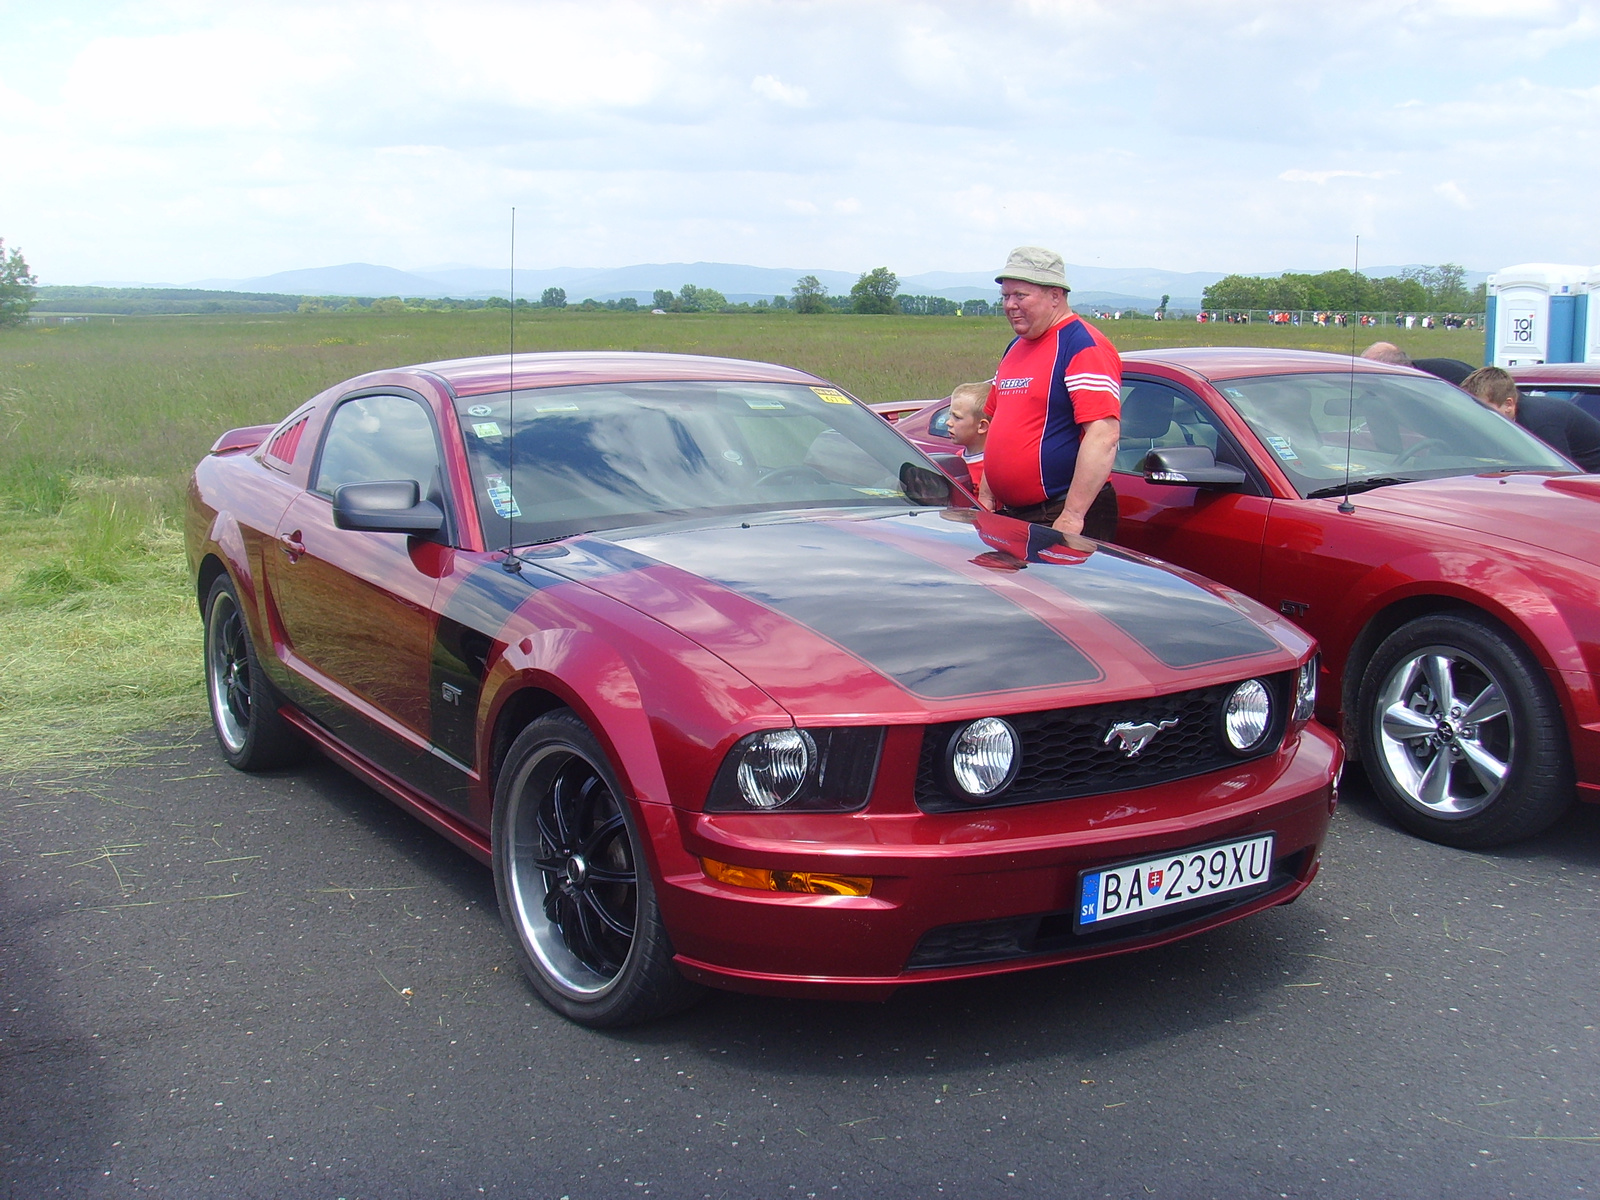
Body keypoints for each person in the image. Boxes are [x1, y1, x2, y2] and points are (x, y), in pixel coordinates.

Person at [979, 246, 1122, 540]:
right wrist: (987, 494)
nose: (1010, 305)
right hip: (1015, 514)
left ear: (1055, 295)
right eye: (1005, 296)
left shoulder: (1080, 345)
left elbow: (1104, 435)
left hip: (1058, 514)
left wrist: (1072, 516)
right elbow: (998, 425)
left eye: (1020, 295)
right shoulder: (1015, 347)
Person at [1462, 366, 1600, 472]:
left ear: (1508, 404)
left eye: (1482, 408)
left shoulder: (1540, 423)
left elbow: (1556, 475)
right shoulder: (1507, 421)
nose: (1476, 415)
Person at [945, 381, 990, 493]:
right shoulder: (956, 460)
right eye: (950, 415)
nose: (948, 422)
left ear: (982, 426)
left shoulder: (991, 467)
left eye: (957, 417)